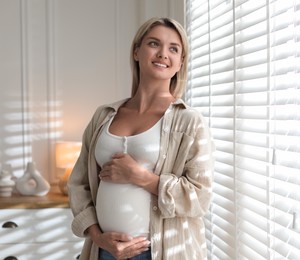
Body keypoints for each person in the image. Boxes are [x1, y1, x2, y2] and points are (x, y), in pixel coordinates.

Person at [67, 17, 214, 260]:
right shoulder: (104, 116)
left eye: (173, 49)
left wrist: (140, 177)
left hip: (160, 252)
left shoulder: (189, 121)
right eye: (154, 44)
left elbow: (200, 197)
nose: (163, 54)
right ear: (137, 51)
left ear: (180, 63)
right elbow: (78, 184)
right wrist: (97, 236)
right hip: (104, 250)